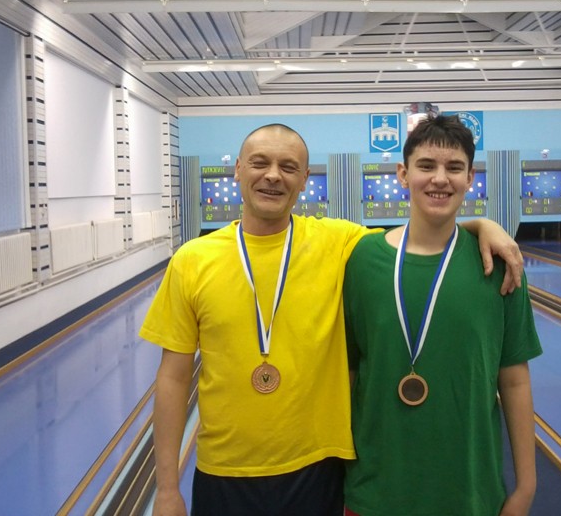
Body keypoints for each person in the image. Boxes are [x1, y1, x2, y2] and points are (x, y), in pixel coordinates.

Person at [140, 123, 525, 516]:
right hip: (224, 470)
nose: (273, 175)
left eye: (288, 167)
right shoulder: (191, 261)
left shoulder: (338, 242)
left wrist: (482, 225)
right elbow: (173, 378)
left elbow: (423, 234)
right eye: (259, 163)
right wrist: (167, 489)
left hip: (318, 469)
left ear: (305, 179)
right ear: (238, 169)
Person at [343, 115, 542, 516]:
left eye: (454, 168)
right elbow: (347, 373)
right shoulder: (362, 260)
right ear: (403, 174)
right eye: (426, 166)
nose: (439, 178)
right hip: (375, 492)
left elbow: (515, 380)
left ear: (470, 178)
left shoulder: (501, 267)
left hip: (470, 493)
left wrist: (526, 487)